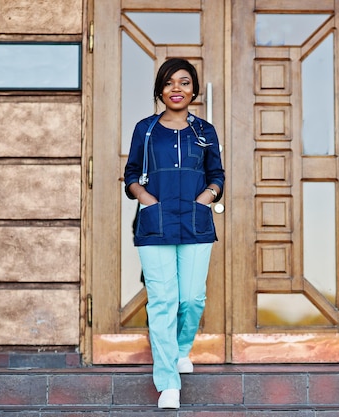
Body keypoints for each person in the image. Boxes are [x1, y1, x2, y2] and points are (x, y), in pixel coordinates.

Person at [123, 58, 224, 409]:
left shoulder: (205, 131)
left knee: (192, 297)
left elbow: (217, 175)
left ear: (194, 90)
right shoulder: (145, 129)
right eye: (169, 83)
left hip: (195, 221)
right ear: (160, 90)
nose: (176, 88)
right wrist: (146, 199)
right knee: (163, 301)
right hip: (156, 223)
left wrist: (206, 197)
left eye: (183, 82)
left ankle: (181, 350)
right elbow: (131, 173)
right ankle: (168, 381)